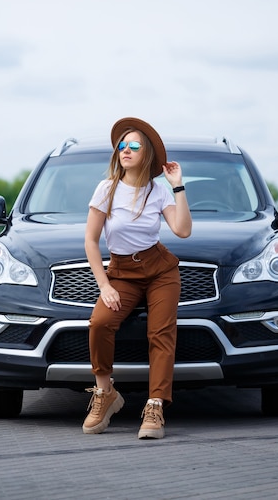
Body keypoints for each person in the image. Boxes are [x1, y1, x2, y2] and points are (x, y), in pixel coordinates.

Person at [82, 117, 192, 439]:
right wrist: (104, 286)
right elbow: (91, 240)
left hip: (160, 271)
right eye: (121, 145)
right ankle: (106, 393)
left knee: (160, 333)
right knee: (100, 323)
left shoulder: (158, 192)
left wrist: (178, 185)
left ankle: (155, 405)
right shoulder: (107, 189)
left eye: (134, 145)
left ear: (147, 155)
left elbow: (183, 231)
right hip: (122, 273)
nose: (125, 150)